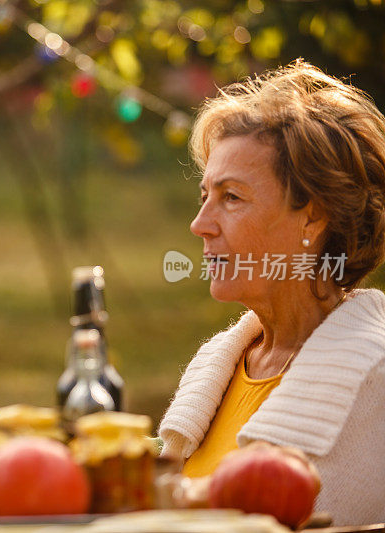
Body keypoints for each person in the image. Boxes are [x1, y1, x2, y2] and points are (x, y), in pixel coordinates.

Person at [158, 60, 385, 526]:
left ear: (313, 217)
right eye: (205, 196)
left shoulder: (374, 379)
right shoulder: (218, 365)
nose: (200, 225)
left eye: (232, 197)